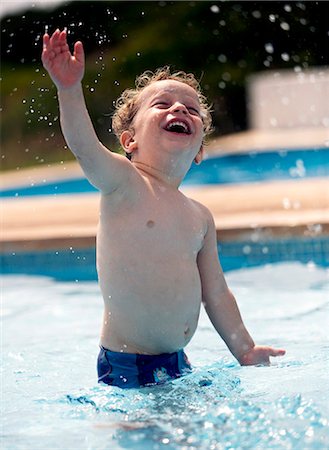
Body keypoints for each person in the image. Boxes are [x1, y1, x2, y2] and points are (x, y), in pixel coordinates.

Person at [42, 29, 285, 389]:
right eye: (163, 104)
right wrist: (68, 88)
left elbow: (216, 292)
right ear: (130, 140)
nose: (179, 109)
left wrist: (245, 350)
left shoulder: (200, 216)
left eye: (191, 110)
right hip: (128, 365)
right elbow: (84, 146)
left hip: (178, 362)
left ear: (200, 148)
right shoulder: (123, 183)